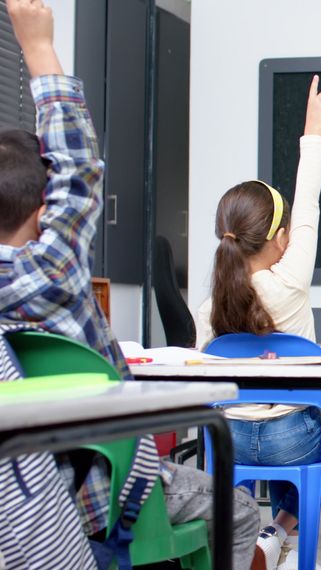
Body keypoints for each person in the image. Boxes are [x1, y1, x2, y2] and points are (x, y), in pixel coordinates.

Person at [0, 1, 263, 568]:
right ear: (45, 210)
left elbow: (74, 177)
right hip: (106, 496)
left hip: (25, 505)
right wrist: (40, 49)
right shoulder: (48, 274)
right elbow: (78, 171)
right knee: (240, 511)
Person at [194, 75, 321, 569]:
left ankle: (268, 535)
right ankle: (283, 529)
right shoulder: (290, 282)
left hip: (224, 437)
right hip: (288, 440)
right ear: (281, 236)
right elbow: (310, 204)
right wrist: (313, 132)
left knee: (281, 410)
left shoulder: (210, 299)